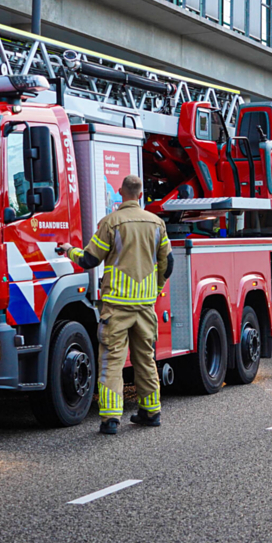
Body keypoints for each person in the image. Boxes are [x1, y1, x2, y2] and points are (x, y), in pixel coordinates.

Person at [61, 175, 174, 435]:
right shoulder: (156, 223)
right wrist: (155, 290)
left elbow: (89, 259)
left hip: (116, 307)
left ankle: (111, 419)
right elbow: (168, 263)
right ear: (141, 193)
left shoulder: (111, 222)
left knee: (112, 360)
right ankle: (151, 411)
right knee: (145, 358)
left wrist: (68, 250)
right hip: (145, 306)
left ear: (121, 192)